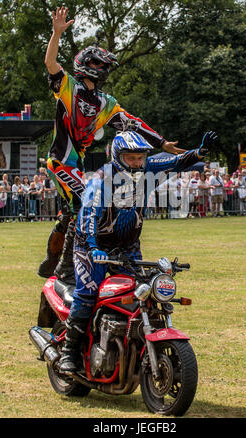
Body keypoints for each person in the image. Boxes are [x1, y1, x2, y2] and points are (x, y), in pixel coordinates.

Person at [38, 5, 186, 282]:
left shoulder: (106, 102)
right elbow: (50, 64)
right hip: (59, 161)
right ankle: (65, 268)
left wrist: (162, 142)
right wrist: (56, 33)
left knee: (72, 212)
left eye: (103, 65)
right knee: (88, 203)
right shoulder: (68, 88)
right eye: (97, 63)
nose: (102, 68)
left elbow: (134, 122)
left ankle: (56, 260)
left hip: (77, 164)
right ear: (85, 65)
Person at [58, 130, 217, 373]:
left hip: (127, 246)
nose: (136, 162)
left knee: (142, 292)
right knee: (88, 293)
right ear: (117, 156)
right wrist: (92, 247)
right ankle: (69, 352)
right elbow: (88, 215)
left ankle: (133, 344)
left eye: (140, 157)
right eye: (131, 158)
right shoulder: (102, 180)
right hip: (93, 246)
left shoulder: (148, 170)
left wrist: (200, 151)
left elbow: (176, 162)